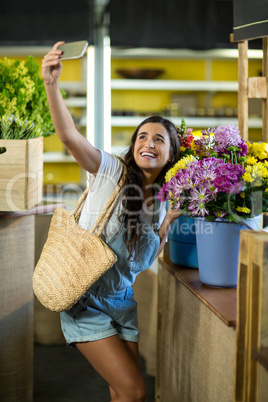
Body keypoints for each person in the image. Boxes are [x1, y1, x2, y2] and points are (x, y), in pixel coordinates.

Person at [42, 41, 182, 402]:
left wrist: (164, 231)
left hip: (123, 303)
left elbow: (143, 263)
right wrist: (51, 84)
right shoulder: (111, 173)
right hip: (85, 298)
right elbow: (69, 136)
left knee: (122, 394)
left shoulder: (164, 201)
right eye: (142, 137)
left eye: (159, 139)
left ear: (171, 154)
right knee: (135, 391)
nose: (148, 143)